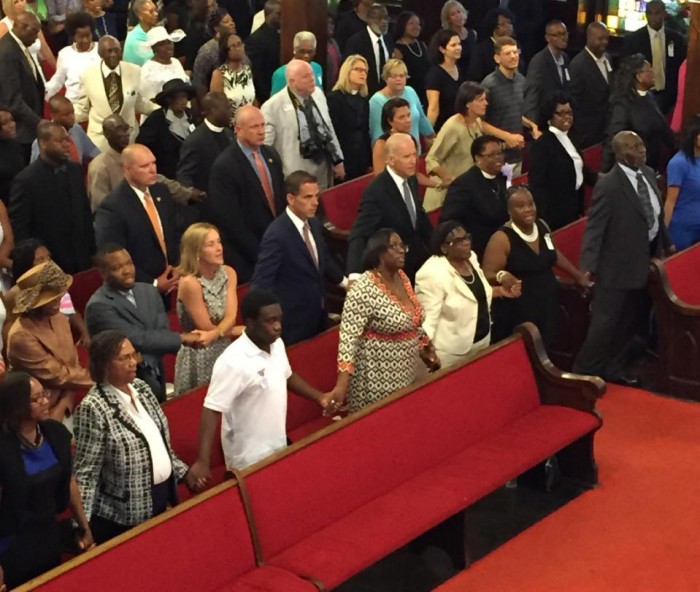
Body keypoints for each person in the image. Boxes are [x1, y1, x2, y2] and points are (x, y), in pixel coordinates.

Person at [187, 289, 336, 484]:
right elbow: (212, 409)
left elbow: (287, 376)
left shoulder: (277, 344)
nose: (277, 326)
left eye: (279, 319)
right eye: (270, 321)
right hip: (247, 458)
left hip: (278, 445)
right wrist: (202, 460)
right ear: (250, 323)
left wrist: (320, 397)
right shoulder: (232, 361)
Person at [74, 330, 191, 543]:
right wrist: (83, 526)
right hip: (124, 515)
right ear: (104, 365)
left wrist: (184, 472)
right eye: (124, 358)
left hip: (162, 496)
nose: (133, 362)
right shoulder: (93, 408)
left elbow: (159, 442)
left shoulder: (142, 388)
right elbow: (86, 473)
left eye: (133, 355)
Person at [573, 131, 672, 383]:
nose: (641, 150)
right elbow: (595, 227)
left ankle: (613, 369)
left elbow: (656, 216)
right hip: (615, 268)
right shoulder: (609, 185)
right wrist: (586, 266)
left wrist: (667, 244)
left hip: (644, 263)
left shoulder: (648, 173)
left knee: (628, 323)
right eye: (633, 147)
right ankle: (580, 376)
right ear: (619, 153)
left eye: (640, 144)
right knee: (604, 326)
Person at [0, 372, 94, 590]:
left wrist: (84, 525)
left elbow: (69, 482)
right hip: (12, 542)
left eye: (45, 394)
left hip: (48, 534)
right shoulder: (3, 448)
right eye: (36, 398)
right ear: (16, 406)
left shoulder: (56, 433)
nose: (45, 401)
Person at [330, 228, 440, 412]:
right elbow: (348, 341)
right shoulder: (363, 289)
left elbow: (411, 319)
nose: (401, 250)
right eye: (394, 246)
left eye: (402, 245)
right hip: (378, 381)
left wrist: (425, 345)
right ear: (379, 253)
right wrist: (341, 386)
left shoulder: (402, 277)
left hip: (410, 371)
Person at [85, 244, 203, 401]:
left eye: (129, 263)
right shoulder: (98, 305)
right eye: (117, 267)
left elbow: (162, 331)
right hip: (124, 385)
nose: (127, 270)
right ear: (103, 273)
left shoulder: (149, 291)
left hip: (158, 374)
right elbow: (136, 338)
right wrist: (181, 338)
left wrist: (148, 357)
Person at [483, 185, 588, 346]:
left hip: (548, 301)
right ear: (509, 211)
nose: (528, 209)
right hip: (520, 310)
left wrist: (577, 275)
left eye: (530, 204)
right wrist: (502, 275)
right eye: (520, 206)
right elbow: (488, 274)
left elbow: (553, 253)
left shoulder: (541, 225)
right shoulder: (501, 238)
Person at [252, 171, 347, 345]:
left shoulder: (314, 223)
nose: (315, 202)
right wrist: (271, 322)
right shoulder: (277, 235)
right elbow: (261, 284)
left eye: (316, 196)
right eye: (308, 197)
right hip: (292, 323)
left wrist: (344, 282)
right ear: (291, 198)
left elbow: (322, 256)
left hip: (318, 312)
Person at [416, 221, 517, 367]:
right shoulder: (431, 273)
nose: (466, 243)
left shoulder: (471, 258)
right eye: (458, 241)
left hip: (483, 341)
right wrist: (426, 348)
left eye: (466, 237)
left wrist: (501, 290)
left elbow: (479, 293)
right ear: (444, 248)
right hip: (452, 354)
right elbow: (428, 319)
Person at [206, 105, 285, 283]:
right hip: (248, 255)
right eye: (254, 127)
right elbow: (230, 221)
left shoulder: (271, 154)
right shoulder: (225, 166)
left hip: (277, 243)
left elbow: (280, 198)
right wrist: (261, 253)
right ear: (238, 130)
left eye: (263, 125)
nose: (261, 131)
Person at [7, 261, 93, 421]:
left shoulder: (59, 317)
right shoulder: (21, 336)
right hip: (43, 409)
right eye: (51, 297)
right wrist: (101, 376)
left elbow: (72, 363)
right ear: (35, 303)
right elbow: (58, 376)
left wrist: (68, 397)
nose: (60, 298)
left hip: (69, 395)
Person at [9, 121, 96, 274]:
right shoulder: (26, 181)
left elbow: (85, 213)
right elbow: (21, 230)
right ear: (43, 143)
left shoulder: (75, 170)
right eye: (59, 141)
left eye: (67, 140)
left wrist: (93, 252)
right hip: (50, 262)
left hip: (82, 259)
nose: (66, 144)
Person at [95, 144, 180, 299]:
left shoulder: (161, 191)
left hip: (173, 281)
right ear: (127, 169)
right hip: (139, 291)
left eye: (153, 163)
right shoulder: (112, 207)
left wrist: (176, 267)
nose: (153, 169)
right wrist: (153, 283)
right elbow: (113, 257)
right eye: (144, 166)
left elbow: (173, 232)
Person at [423, 81, 522, 213]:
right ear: (468, 104)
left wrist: (508, 142)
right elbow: (431, 159)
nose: (486, 103)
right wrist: (447, 178)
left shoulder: (476, 122)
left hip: (466, 192)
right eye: (481, 100)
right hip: (445, 198)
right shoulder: (453, 126)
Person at [347, 133, 433, 281]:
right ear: (390, 160)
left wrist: (440, 247)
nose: (413, 161)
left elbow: (419, 216)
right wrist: (354, 274)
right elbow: (359, 233)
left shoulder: (410, 179)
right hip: (392, 268)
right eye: (406, 157)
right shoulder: (376, 191)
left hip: (418, 260)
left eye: (414, 155)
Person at [174, 224, 241, 394]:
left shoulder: (229, 273)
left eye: (218, 242)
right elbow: (206, 329)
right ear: (196, 252)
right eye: (210, 244)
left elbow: (231, 316)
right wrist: (239, 330)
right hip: (200, 354)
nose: (219, 248)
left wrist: (219, 332)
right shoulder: (190, 283)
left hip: (226, 348)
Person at [88, 113, 202, 212]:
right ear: (107, 134)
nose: (125, 133)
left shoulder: (136, 154)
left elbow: (158, 179)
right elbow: (101, 208)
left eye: (126, 128)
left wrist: (187, 193)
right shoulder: (100, 167)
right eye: (118, 129)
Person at [261, 59, 345, 191]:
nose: (313, 79)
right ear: (292, 81)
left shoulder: (318, 94)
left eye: (312, 74)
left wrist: (338, 160)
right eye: (306, 76)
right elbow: (265, 149)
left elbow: (328, 127)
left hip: (322, 171)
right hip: (295, 177)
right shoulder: (272, 107)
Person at [528, 92, 597, 231]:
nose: (567, 117)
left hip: (574, 205)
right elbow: (537, 185)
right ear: (549, 117)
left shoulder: (572, 137)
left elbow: (579, 168)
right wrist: (542, 221)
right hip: (554, 214)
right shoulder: (541, 145)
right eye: (561, 113)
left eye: (570, 113)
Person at [75, 35, 155, 152]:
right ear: (100, 54)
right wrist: (63, 119)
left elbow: (138, 103)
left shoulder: (134, 70)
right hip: (100, 139)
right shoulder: (88, 75)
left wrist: (161, 110)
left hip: (129, 136)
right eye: (109, 51)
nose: (113, 54)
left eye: (116, 50)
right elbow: (82, 108)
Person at [600, 54, 676, 174]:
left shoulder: (650, 98)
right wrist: (604, 172)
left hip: (651, 168)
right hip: (631, 169)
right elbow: (612, 140)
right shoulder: (622, 104)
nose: (653, 72)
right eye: (649, 70)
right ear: (639, 76)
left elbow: (665, 131)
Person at [440, 134, 508, 258]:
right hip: (479, 249)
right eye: (491, 155)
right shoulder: (463, 185)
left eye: (500, 153)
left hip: (503, 244)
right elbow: (449, 222)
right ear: (477, 158)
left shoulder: (500, 177)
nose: (498, 158)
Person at [481, 36, 540, 177]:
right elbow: (479, 123)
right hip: (494, 157)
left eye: (516, 52)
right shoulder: (489, 85)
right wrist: (507, 137)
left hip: (517, 155)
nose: (514, 56)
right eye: (508, 53)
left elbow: (516, 113)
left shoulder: (521, 80)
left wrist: (532, 125)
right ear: (497, 58)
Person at [622, 0, 686, 115]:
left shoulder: (676, 39)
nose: (653, 17)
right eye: (649, 13)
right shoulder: (633, 40)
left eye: (656, 13)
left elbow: (680, 67)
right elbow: (627, 71)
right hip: (642, 96)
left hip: (668, 97)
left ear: (663, 14)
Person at [0, 12, 44, 160]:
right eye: (35, 32)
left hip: (29, 127)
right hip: (21, 132)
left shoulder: (19, 46)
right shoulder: (7, 53)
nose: (37, 37)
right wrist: (38, 122)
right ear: (23, 28)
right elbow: (13, 100)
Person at [136, 79, 196, 180]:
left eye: (185, 97)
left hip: (192, 171)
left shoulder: (193, 116)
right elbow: (142, 146)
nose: (184, 101)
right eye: (179, 97)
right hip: (167, 175)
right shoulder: (156, 119)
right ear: (169, 100)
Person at [368, 58, 434, 147]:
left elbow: (422, 120)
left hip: (414, 151)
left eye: (402, 75)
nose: (398, 79)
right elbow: (378, 135)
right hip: (394, 154)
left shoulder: (411, 91)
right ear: (385, 78)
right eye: (394, 76)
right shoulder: (376, 101)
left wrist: (433, 137)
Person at [177, 92, 234, 192]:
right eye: (227, 108)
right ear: (213, 110)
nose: (231, 112)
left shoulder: (230, 134)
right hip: (208, 201)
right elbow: (184, 176)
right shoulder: (195, 140)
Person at [327, 54, 372, 181]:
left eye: (365, 71)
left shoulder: (363, 99)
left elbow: (365, 132)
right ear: (347, 71)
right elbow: (332, 133)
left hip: (360, 159)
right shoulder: (334, 99)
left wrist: (369, 161)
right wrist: (336, 161)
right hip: (343, 157)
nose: (362, 73)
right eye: (358, 69)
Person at [569, 21, 612, 149]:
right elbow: (574, 101)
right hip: (588, 131)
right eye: (600, 39)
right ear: (589, 38)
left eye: (606, 38)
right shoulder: (578, 65)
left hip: (605, 127)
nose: (604, 42)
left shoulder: (607, 58)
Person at [44, 12, 100, 103]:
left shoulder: (100, 49)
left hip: (98, 102)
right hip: (74, 104)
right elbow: (58, 80)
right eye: (81, 37)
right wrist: (44, 93)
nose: (85, 40)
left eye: (88, 35)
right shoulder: (65, 54)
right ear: (73, 36)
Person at [30, 95, 101, 165]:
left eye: (72, 113)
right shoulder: (43, 141)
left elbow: (93, 152)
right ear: (53, 116)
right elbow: (36, 170)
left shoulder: (77, 129)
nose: (72, 117)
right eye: (66, 115)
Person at [523, 20, 571, 122]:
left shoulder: (565, 58)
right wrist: (533, 126)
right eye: (557, 35)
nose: (563, 38)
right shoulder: (539, 61)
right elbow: (531, 96)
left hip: (560, 120)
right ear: (547, 38)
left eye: (564, 33)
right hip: (543, 121)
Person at [664, 116, 700, 250]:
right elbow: (670, 202)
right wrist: (665, 238)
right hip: (683, 230)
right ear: (693, 136)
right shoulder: (678, 163)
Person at [343, 3, 393, 97]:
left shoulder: (388, 39)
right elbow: (349, 71)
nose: (383, 22)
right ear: (369, 20)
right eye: (379, 18)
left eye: (386, 18)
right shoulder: (355, 41)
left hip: (387, 95)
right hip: (364, 95)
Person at [425, 29, 465, 132]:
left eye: (459, 44)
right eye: (453, 45)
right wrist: (429, 133)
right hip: (444, 129)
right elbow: (433, 108)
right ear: (442, 49)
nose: (458, 48)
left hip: (460, 126)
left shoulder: (459, 68)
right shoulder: (435, 74)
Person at [210, 32, 255, 122]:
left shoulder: (247, 70)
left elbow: (252, 99)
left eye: (240, 44)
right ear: (226, 51)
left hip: (248, 123)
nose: (239, 48)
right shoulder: (219, 74)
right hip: (229, 126)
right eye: (233, 46)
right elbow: (216, 106)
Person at [191, 8, 236, 99]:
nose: (232, 23)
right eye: (226, 22)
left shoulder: (237, 44)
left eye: (232, 20)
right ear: (216, 28)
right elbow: (199, 83)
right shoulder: (208, 51)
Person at [138, 26, 188, 105]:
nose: (168, 46)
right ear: (153, 48)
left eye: (169, 42)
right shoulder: (147, 70)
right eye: (162, 44)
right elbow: (150, 102)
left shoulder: (176, 62)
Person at [0, 0, 55, 72]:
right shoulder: (3, 26)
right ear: (8, 6)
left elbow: (44, 48)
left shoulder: (32, 17)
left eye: (22, 0)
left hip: (38, 71)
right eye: (16, 2)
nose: (20, 4)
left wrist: (57, 69)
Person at [244, 0, 280, 104]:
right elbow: (256, 74)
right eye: (278, 14)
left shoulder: (280, 35)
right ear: (268, 14)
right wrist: (267, 96)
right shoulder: (255, 39)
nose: (282, 18)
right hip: (266, 96)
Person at [392, 11, 430, 108]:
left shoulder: (422, 45)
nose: (416, 26)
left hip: (426, 93)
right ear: (402, 25)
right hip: (408, 95)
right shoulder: (398, 49)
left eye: (418, 24)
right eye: (411, 23)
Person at [466, 7, 514, 83]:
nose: (509, 27)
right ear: (494, 28)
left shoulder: (515, 45)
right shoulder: (481, 50)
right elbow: (474, 78)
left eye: (509, 23)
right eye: (503, 24)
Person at [270, 31, 323, 96]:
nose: (306, 55)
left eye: (310, 52)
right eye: (302, 51)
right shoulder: (281, 74)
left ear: (314, 52)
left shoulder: (317, 68)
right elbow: (275, 103)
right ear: (294, 50)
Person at [434, 1, 476, 72]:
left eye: (459, 12)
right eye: (453, 14)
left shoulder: (473, 33)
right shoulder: (445, 37)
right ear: (448, 19)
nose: (458, 16)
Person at [0, 108, 26, 205]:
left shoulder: (14, 144)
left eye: (12, 120)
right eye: (5, 123)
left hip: (18, 198)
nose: (12, 125)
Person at [122, 0, 158, 66]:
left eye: (156, 10)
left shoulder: (158, 32)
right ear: (140, 15)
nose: (156, 14)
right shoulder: (133, 39)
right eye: (151, 11)